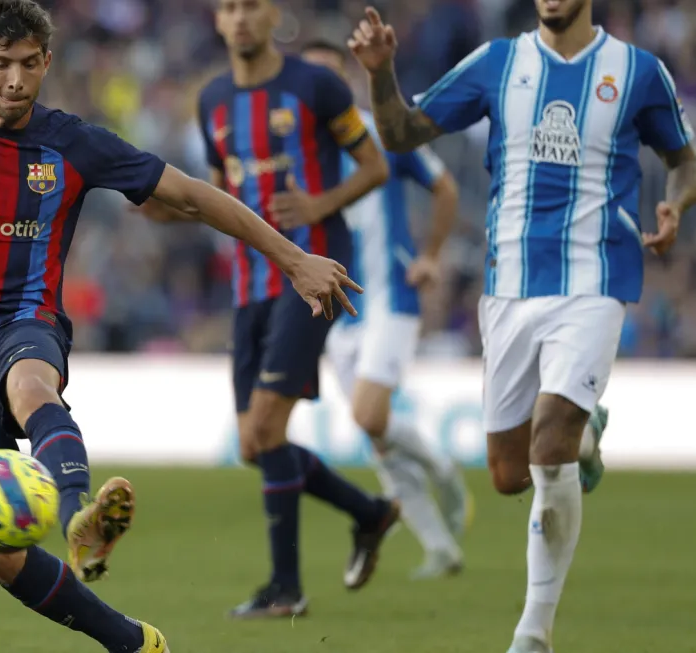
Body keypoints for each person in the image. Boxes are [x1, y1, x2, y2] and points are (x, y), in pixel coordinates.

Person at [0, 1, 360, 650]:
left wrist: (294, 256)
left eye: (28, 65)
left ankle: (79, 509)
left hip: (27, 321)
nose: (14, 81)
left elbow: (191, 194)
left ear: (47, 62)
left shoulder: (73, 142)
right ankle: (131, 641)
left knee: (31, 387)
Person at [348, 0, 695, 650]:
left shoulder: (637, 71)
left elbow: (683, 157)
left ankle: (531, 634)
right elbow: (398, 134)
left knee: (548, 442)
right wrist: (379, 73)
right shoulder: (498, 63)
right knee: (510, 473)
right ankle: (585, 434)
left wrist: (673, 204)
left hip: (596, 274)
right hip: (508, 284)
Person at [142, 0, 399, 618]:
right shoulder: (212, 102)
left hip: (311, 275)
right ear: (215, 19)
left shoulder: (316, 85)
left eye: (250, 5)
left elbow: (374, 165)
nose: (239, 18)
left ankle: (285, 589)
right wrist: (157, 205)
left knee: (263, 429)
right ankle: (370, 512)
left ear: (272, 14)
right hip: (247, 284)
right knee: (256, 443)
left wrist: (319, 206)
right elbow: (214, 195)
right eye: (228, 7)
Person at [300, 39, 470, 580]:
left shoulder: (383, 134)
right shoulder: (301, 151)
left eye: (330, 76)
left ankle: (441, 466)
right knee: (376, 436)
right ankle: (439, 546)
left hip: (389, 296)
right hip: (336, 309)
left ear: (346, 81)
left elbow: (444, 188)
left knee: (369, 415)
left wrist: (431, 257)